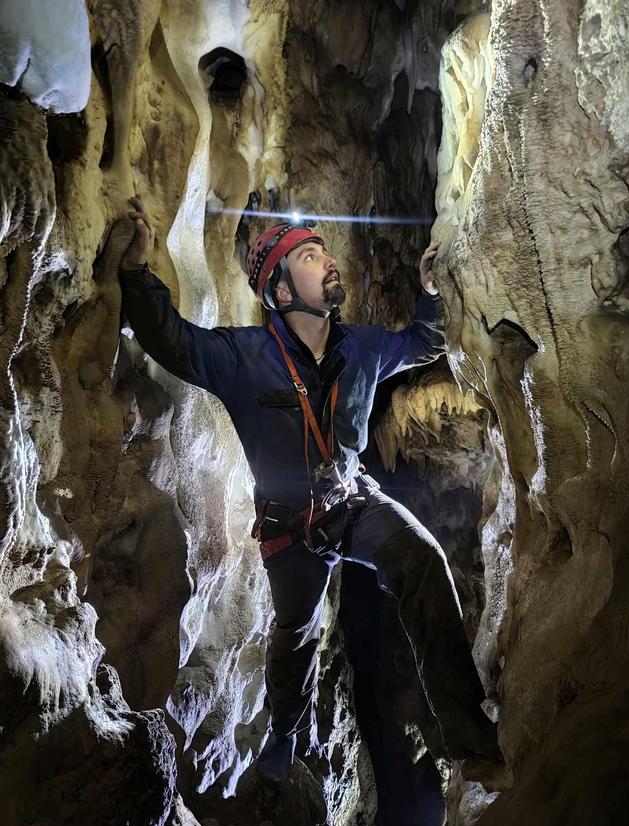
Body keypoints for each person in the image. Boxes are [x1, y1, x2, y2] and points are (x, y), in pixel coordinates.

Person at [118, 196, 501, 784]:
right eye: (309, 255)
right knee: (295, 637)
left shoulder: (364, 348)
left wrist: (429, 293)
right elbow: (175, 342)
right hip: (290, 527)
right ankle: (285, 732)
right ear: (280, 290)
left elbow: (423, 344)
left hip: (352, 502)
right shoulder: (245, 358)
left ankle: (470, 739)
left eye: (324, 252)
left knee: (422, 559)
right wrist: (138, 272)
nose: (328, 262)